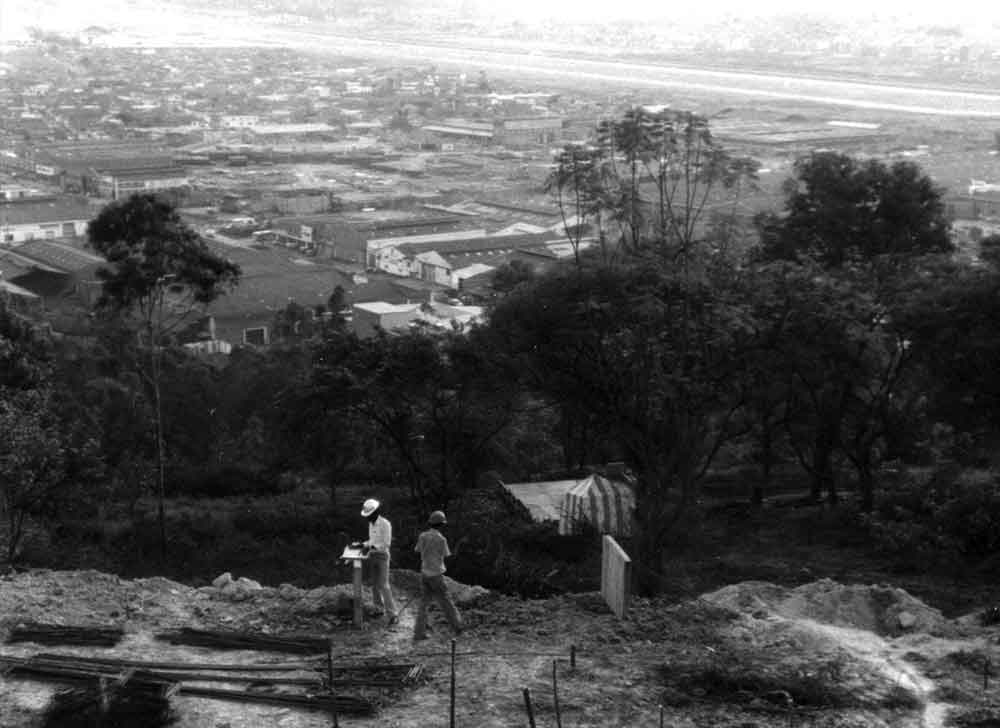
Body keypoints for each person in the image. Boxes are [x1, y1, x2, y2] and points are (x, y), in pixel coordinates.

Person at [413, 510, 463, 641]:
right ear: (441, 525)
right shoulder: (441, 539)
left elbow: (417, 550)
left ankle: (419, 633)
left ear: (430, 523)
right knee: (446, 602)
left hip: (424, 574)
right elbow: (447, 555)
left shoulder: (422, 536)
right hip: (436, 575)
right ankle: (458, 627)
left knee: (424, 604)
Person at [360, 498, 398, 624]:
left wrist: (370, 547)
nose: (367, 518)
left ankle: (393, 614)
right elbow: (372, 541)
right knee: (375, 585)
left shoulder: (385, 524)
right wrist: (363, 544)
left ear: (375, 512)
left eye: (369, 515)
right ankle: (378, 609)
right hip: (372, 556)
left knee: (384, 585)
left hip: (382, 556)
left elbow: (386, 544)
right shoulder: (371, 524)